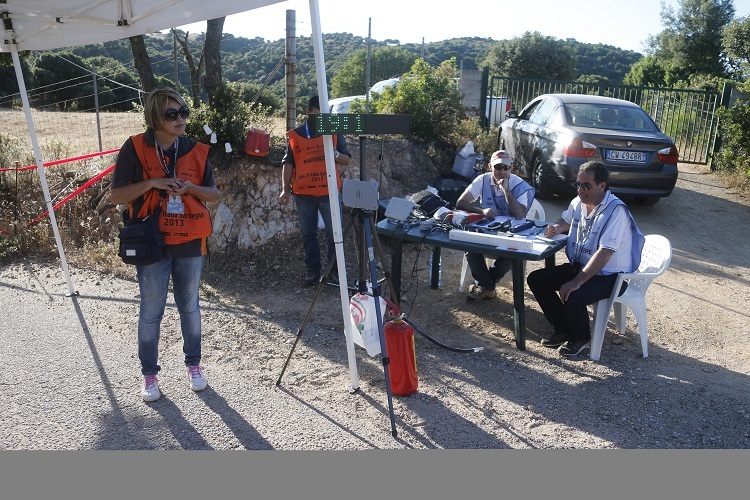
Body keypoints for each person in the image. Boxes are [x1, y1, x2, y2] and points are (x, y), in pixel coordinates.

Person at [111, 88, 218, 402]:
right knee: (151, 311)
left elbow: (213, 195)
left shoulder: (194, 149)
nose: (180, 119)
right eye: (172, 114)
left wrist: (190, 188)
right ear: (155, 118)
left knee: (190, 307)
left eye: (183, 112)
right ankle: (149, 375)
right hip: (151, 241)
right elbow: (117, 196)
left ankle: (194, 365)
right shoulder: (134, 148)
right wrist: (153, 183)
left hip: (189, 239)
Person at [526, 161, 645, 356]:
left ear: (602, 186)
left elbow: (605, 253)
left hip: (611, 276)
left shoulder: (616, 211)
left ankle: (580, 337)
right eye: (578, 185)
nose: (581, 190)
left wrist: (576, 282)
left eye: (586, 186)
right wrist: (556, 228)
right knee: (536, 280)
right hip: (583, 266)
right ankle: (563, 329)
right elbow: (566, 220)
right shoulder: (578, 202)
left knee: (573, 294)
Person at [279, 95, 352, 286]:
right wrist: (284, 190)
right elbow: (288, 163)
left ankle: (334, 273)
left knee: (334, 234)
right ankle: (313, 271)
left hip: (329, 193)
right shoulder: (295, 135)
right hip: (303, 194)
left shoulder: (334, 132)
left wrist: (334, 153)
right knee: (308, 234)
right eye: (317, 115)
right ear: (308, 112)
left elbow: (346, 159)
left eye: (324, 116)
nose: (320, 120)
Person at [455, 149, 535, 303]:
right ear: (490, 167)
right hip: (489, 229)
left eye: (506, 168)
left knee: (512, 253)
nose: (502, 171)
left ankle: (485, 285)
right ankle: (488, 286)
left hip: (513, 232)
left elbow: (519, 214)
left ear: (511, 168)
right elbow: (460, 203)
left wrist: (506, 190)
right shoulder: (482, 180)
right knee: (469, 246)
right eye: (498, 167)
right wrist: (481, 210)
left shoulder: (520, 185)